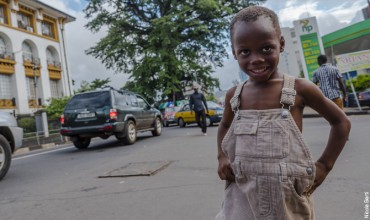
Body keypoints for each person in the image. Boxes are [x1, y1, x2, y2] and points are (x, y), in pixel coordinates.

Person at [216, 6, 351, 220]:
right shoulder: (235, 95)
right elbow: (224, 126)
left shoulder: (300, 88)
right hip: (242, 195)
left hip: (287, 199)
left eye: (266, 49)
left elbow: (341, 123)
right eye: (245, 52)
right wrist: (222, 156)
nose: (257, 59)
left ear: (281, 44)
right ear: (234, 52)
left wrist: (325, 165)